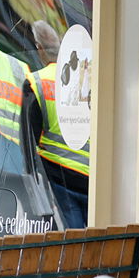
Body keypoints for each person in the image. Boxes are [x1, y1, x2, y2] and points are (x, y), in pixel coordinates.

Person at [27, 20, 89, 229]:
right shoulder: (88, 82)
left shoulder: (37, 81)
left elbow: (29, 140)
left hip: (58, 178)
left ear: (39, 48)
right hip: (92, 179)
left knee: (69, 248)